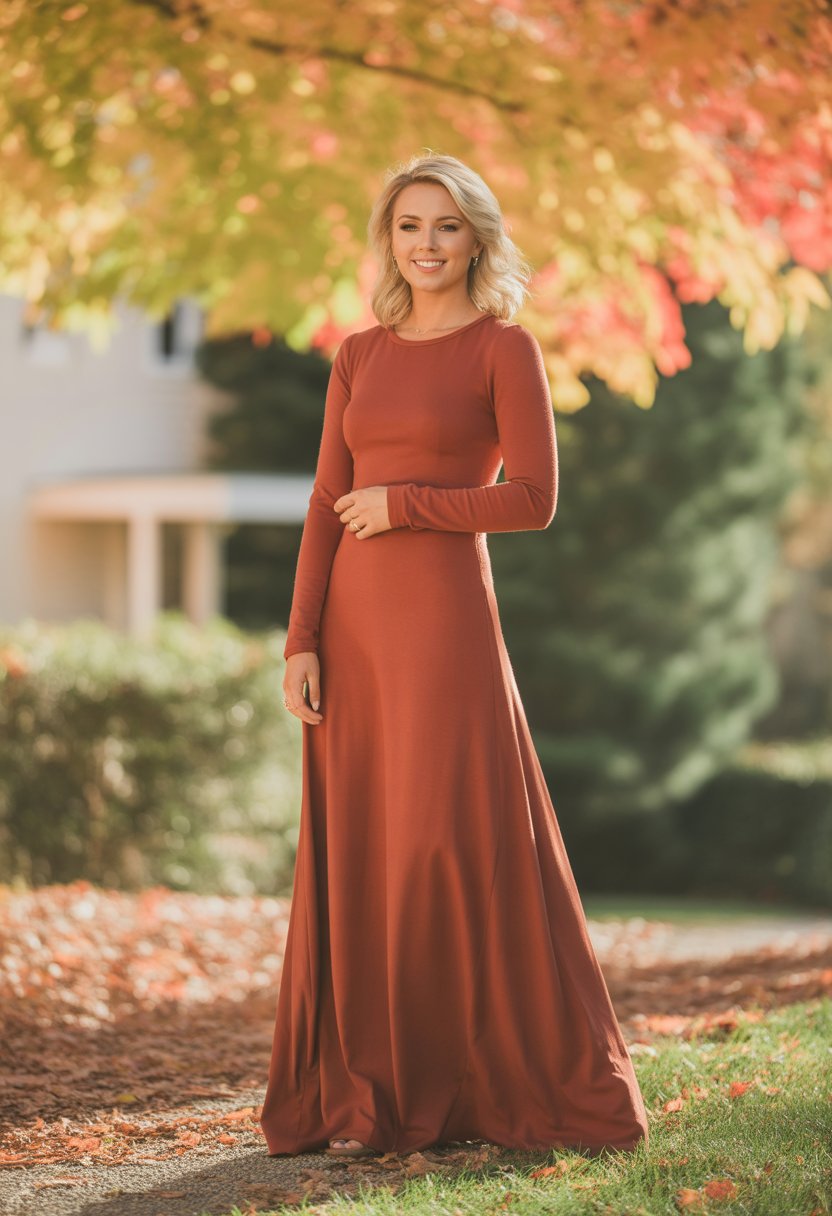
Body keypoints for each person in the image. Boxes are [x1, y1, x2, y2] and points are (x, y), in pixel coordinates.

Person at [260, 152, 650, 1160]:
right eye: (407, 226)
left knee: (437, 840)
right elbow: (319, 503)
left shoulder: (502, 348)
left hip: (441, 621)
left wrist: (408, 504)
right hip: (351, 622)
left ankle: (455, 1086)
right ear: (387, 239)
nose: (425, 244)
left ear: (476, 237)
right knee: (365, 848)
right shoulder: (358, 353)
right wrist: (300, 638)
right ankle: (364, 1097)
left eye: (444, 226)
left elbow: (532, 498)